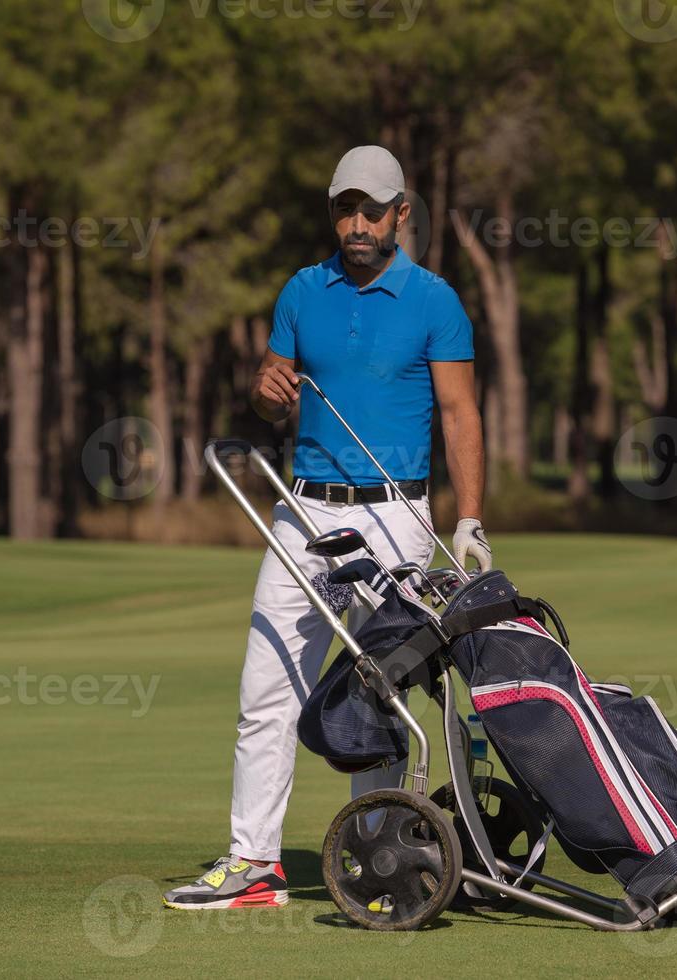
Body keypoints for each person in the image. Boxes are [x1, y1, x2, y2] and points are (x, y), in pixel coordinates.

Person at [164, 145, 491, 910]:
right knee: (266, 689)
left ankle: (377, 859)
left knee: (377, 693)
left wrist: (470, 517)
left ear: (400, 214)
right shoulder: (301, 291)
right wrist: (266, 390)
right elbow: (271, 399)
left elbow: (459, 414)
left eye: (371, 210)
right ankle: (255, 866)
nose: (356, 223)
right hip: (302, 509)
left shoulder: (435, 301)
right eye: (345, 208)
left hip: (396, 514)